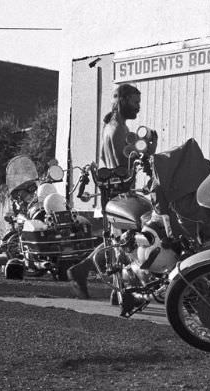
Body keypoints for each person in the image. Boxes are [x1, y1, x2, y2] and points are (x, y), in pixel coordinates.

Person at [67, 83, 148, 317]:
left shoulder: (113, 127)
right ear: (122, 101)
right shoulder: (118, 130)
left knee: (118, 240)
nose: (138, 107)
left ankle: (114, 288)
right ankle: (86, 272)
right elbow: (125, 164)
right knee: (124, 240)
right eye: (135, 102)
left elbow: (111, 158)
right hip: (119, 191)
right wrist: (137, 152)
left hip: (112, 191)